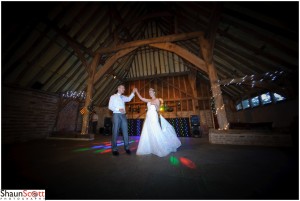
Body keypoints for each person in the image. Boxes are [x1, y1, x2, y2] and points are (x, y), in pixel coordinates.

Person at [135, 88, 181, 157]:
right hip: (148, 117)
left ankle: (160, 147)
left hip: (153, 116)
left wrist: (155, 105)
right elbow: (142, 98)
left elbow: (158, 109)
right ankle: (151, 147)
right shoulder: (149, 100)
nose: (150, 92)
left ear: (154, 92)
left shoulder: (157, 100)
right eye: (149, 91)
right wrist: (136, 91)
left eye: (151, 91)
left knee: (155, 130)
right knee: (148, 131)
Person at [108, 84, 136, 156]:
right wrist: (118, 109)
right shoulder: (113, 96)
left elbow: (129, 99)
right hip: (116, 115)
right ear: (118, 88)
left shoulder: (123, 97)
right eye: (123, 88)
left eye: (124, 88)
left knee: (125, 131)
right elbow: (110, 106)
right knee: (115, 131)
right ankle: (114, 149)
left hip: (123, 116)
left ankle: (127, 148)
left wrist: (133, 92)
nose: (124, 89)